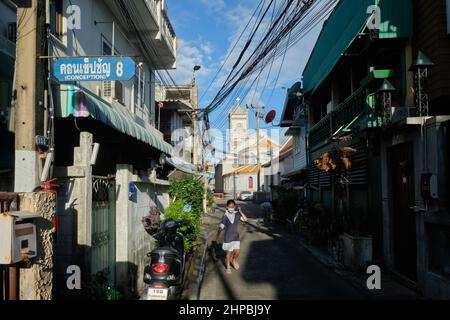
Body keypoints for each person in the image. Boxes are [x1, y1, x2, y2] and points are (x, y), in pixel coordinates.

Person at [214, 199, 248, 274]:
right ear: (227, 207)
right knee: (228, 253)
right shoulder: (225, 216)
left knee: (237, 252)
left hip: (236, 236)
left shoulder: (237, 214)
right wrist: (217, 236)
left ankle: (234, 260)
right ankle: (228, 266)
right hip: (228, 237)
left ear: (235, 206)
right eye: (229, 207)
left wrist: (240, 211)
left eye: (232, 207)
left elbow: (245, 219)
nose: (231, 208)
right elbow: (221, 227)